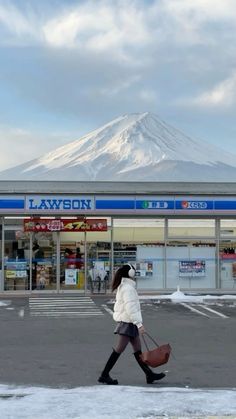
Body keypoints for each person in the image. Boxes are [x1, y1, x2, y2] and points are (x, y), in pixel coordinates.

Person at [98, 263, 166, 385]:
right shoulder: (128, 288)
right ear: (130, 274)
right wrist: (139, 324)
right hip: (128, 323)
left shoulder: (124, 286)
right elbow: (131, 308)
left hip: (128, 322)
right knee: (119, 350)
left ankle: (149, 374)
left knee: (137, 350)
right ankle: (104, 374)